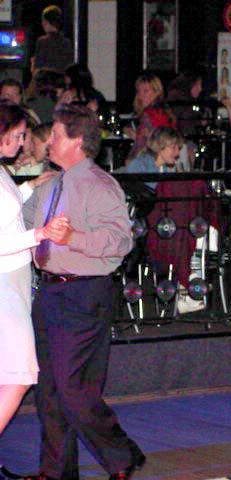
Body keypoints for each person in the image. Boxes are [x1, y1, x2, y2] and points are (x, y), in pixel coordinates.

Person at [23, 105, 145, 480]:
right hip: (50, 292)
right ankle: (55, 471)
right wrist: (25, 189)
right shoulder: (51, 184)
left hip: (82, 292)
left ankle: (122, 455)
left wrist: (72, 237)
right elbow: (19, 224)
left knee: (72, 388)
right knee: (49, 390)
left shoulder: (98, 184)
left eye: (56, 135)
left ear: (76, 141)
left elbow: (120, 241)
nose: (49, 141)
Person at [0, 102, 65, 476]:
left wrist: (28, 187)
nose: (25, 142)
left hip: (12, 282)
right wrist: (37, 234)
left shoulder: (2, 169)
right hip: (5, 286)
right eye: (20, 134)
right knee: (21, 375)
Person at [127, 71, 176, 161]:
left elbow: (146, 145)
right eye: (139, 91)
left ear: (157, 92)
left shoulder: (151, 114)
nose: (140, 96)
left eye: (145, 91)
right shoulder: (165, 111)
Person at [119, 126, 185, 187]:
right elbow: (129, 190)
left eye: (178, 148)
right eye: (173, 147)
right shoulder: (140, 165)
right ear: (159, 146)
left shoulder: (165, 168)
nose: (177, 152)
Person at [31, 5, 74, 75]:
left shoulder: (42, 42)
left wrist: (33, 66)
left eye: (43, 21)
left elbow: (37, 69)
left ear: (47, 22)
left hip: (46, 80)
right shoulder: (66, 42)